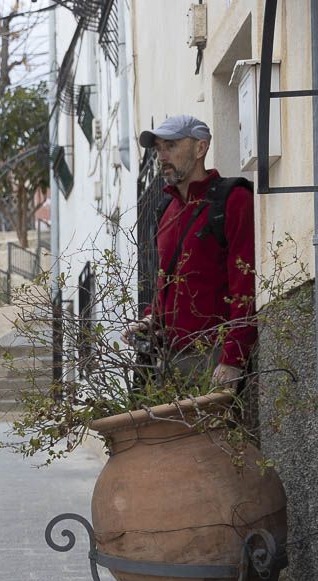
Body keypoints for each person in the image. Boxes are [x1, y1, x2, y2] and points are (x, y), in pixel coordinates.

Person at [122, 115, 255, 391]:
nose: (161, 156)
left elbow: (246, 285)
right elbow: (166, 282)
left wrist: (233, 358)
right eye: (158, 148)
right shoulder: (166, 210)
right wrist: (151, 319)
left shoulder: (233, 199)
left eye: (170, 145)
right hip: (170, 360)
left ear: (200, 148)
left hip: (215, 357)